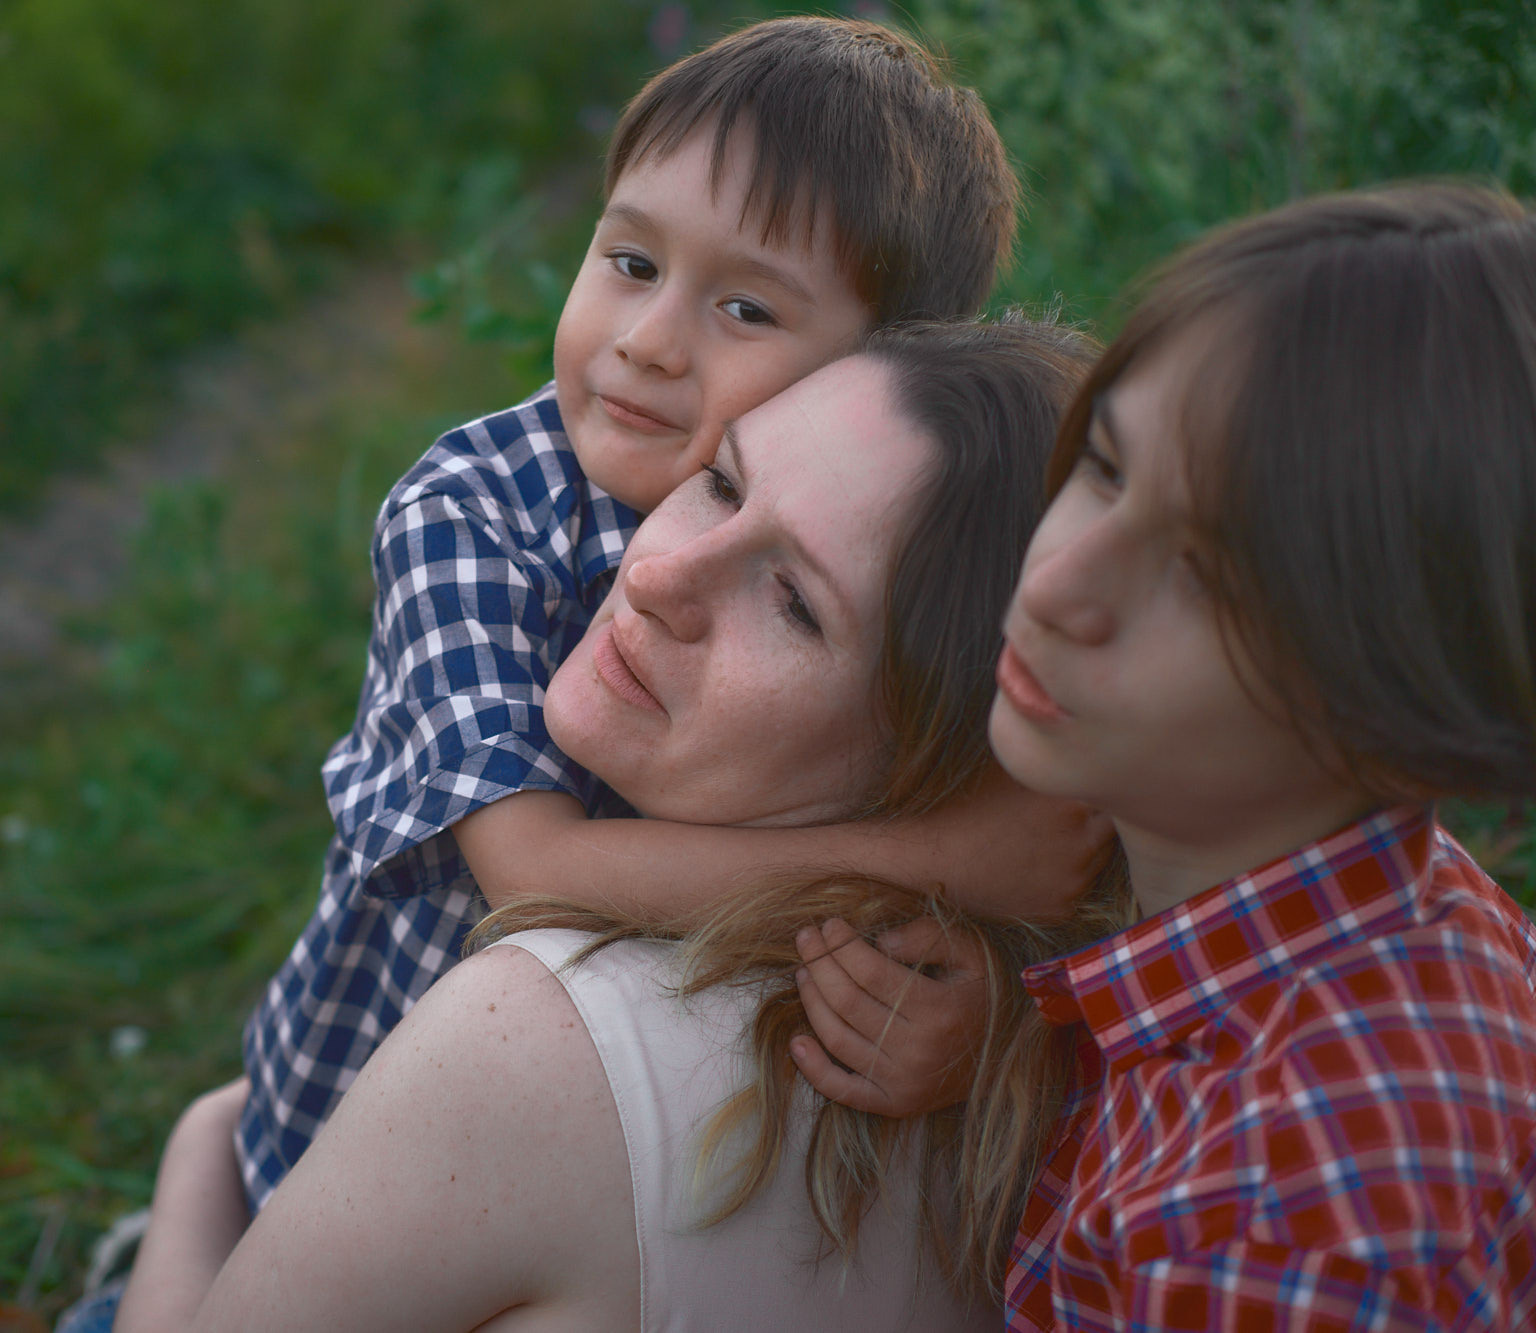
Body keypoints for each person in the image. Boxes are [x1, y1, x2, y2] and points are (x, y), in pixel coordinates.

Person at [231, 12, 1099, 1230]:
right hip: (332, 1136)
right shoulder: (470, 511)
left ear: (879, 367)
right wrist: (949, 860)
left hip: (596, 1173)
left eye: (744, 310)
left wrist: (965, 1017)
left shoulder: (889, 583)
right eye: (630, 264)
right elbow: (530, 876)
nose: (644, 345)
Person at [124, 316, 1122, 1330]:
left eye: (792, 603)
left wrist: (197, 1155)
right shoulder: (1032, 1066)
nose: (652, 578)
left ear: (941, 766)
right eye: (722, 484)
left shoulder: (541, 1043)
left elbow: (533, 874)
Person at [799, 183, 1536, 1327]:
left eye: (1201, 575)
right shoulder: (1385, 910)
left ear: (1408, 689)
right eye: (1100, 464)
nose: (1052, 584)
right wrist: (1011, 1064)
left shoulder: (1290, 1220)